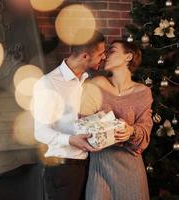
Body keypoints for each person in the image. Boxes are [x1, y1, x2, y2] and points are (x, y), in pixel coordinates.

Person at [33, 31, 106, 200]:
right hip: (62, 169)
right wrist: (71, 140)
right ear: (86, 56)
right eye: (101, 54)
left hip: (89, 167)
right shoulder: (48, 83)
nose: (104, 57)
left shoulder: (88, 80)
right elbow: (40, 131)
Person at [85, 40, 153, 200]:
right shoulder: (95, 84)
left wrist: (131, 131)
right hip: (101, 164)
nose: (106, 55)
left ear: (128, 56)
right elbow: (85, 124)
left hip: (131, 167)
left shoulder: (142, 92)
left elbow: (144, 134)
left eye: (113, 51)